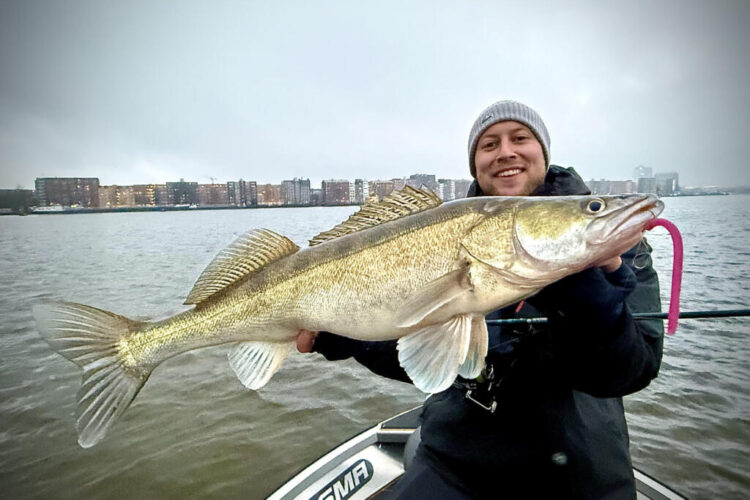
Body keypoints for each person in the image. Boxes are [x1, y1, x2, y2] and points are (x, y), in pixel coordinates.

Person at [296, 100, 664, 499]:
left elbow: (631, 371)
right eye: (489, 144)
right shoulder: (447, 235)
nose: (505, 151)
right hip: (457, 455)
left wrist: (592, 298)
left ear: (543, 152)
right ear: (475, 165)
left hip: (577, 462)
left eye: (520, 138)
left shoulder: (614, 246)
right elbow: (425, 360)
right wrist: (348, 336)